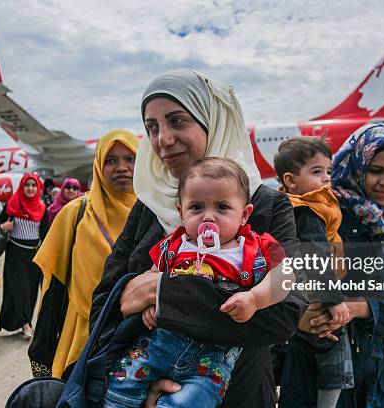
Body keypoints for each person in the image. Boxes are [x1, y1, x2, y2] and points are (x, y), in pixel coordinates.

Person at [90, 69, 304, 408]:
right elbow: (107, 301)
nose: (163, 139)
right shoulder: (149, 207)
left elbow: (285, 313)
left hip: (239, 395)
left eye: (177, 121)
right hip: (141, 390)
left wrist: (161, 292)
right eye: (152, 127)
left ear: (212, 120)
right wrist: (141, 389)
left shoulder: (265, 205)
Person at [104, 157, 290, 407]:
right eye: (196, 208)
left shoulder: (258, 246)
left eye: (222, 207)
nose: (208, 218)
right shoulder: (173, 244)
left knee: (192, 401)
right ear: (181, 212)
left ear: (245, 214)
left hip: (213, 360)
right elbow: (150, 279)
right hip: (159, 345)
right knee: (119, 388)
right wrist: (151, 303)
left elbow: (287, 276)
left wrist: (256, 298)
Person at [299, 123, 384, 407]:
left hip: (377, 377)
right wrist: (303, 318)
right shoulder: (320, 218)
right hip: (313, 371)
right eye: (376, 170)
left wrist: (358, 308)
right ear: (355, 165)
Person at [30, 130, 139, 378]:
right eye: (111, 160)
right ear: (99, 166)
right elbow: (52, 288)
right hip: (81, 340)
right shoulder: (75, 213)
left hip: (138, 341)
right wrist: (41, 349)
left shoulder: (156, 214)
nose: (121, 167)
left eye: (130, 159)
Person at [274, 137, 354, 408]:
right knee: (334, 340)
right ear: (291, 180)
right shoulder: (307, 210)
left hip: (299, 293)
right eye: (317, 171)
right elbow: (314, 256)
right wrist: (334, 299)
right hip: (315, 293)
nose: (326, 178)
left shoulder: (296, 204)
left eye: (329, 171)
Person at [0, 174, 49, 338]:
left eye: (34, 185)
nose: (30, 188)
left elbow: (46, 233)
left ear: (38, 188)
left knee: (32, 290)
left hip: (34, 255)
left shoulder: (42, 208)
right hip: (15, 253)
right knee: (20, 289)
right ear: (22, 186)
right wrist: (3, 226)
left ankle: (25, 321)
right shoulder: (12, 204)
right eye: (27, 185)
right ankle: (26, 325)